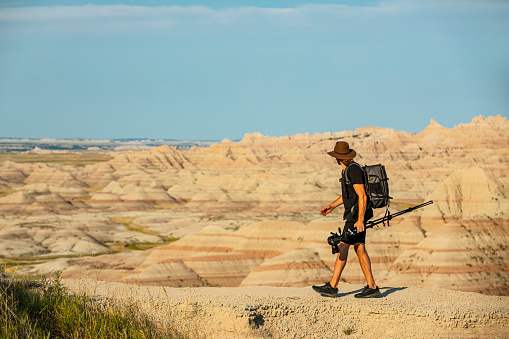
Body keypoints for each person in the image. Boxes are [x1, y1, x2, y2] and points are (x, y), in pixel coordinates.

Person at [312, 141, 381, 298]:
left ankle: (333, 286)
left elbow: (362, 195)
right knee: (358, 247)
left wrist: (360, 220)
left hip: (356, 216)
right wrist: (332, 206)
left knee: (344, 245)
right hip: (355, 214)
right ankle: (371, 286)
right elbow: (348, 195)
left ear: (337, 158)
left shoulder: (353, 171)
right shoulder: (348, 170)